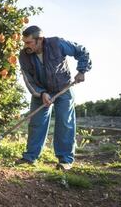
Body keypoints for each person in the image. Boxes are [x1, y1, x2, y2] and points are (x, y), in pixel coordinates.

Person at [17, 25, 92, 170]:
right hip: (41, 90)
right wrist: (41, 93)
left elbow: (81, 51)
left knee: (65, 122)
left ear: (40, 40)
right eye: (24, 42)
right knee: (36, 123)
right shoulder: (24, 55)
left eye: (29, 42)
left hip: (63, 87)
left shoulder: (57, 44)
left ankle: (65, 160)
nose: (25, 46)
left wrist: (82, 70)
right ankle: (30, 157)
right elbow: (28, 79)